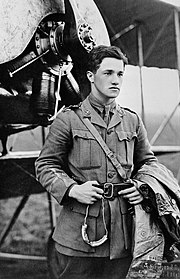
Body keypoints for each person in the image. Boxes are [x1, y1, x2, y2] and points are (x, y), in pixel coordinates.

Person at [34, 45, 160, 279]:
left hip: (124, 234)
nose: (116, 80)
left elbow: (149, 164)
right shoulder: (68, 120)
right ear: (91, 76)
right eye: (108, 73)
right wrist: (72, 189)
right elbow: (46, 165)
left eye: (120, 74)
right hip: (79, 234)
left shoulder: (131, 120)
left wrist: (142, 188)